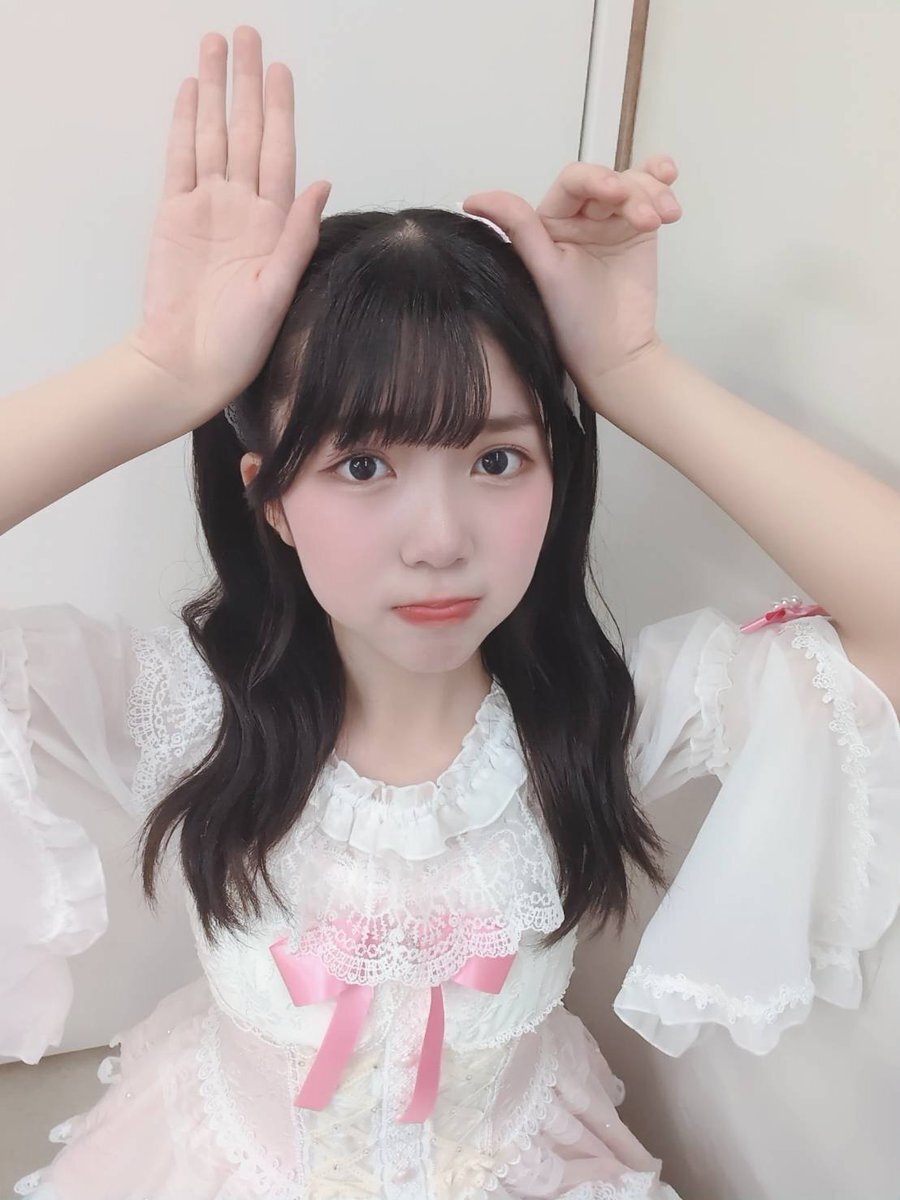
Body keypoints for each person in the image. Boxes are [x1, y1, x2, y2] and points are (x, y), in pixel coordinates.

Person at [2, 23, 898, 1200]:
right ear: (270, 499)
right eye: (363, 465)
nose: (439, 540)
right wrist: (158, 375)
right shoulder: (178, 703)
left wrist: (632, 370)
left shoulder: (606, 709)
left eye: (496, 459)